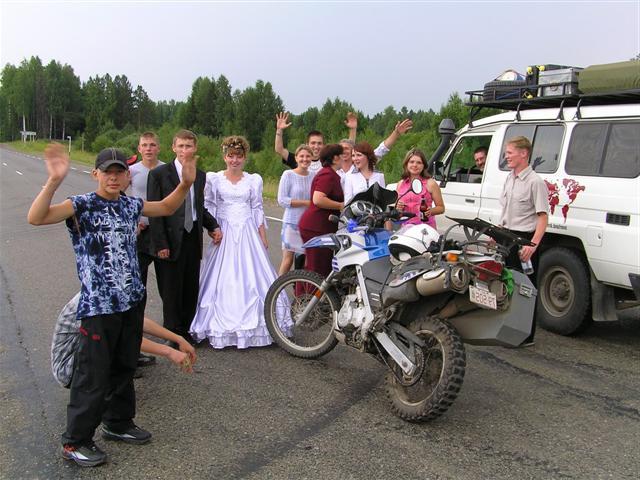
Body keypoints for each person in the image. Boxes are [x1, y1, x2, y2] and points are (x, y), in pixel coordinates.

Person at [28, 143, 198, 467]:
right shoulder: (81, 205)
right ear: (96, 174)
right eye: (108, 171)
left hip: (130, 302)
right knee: (94, 375)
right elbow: (36, 218)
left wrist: (186, 184)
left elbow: (164, 206)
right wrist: (53, 181)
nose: (115, 177)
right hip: (99, 307)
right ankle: (75, 441)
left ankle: (118, 423)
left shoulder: (130, 205)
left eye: (120, 171)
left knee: (124, 367)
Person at [190, 136, 288, 348]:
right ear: (224, 157)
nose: (234, 160)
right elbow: (209, 205)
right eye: (230, 156)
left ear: (245, 158)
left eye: (238, 156)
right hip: (224, 230)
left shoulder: (253, 180)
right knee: (220, 277)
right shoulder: (214, 179)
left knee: (253, 275)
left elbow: (257, 208)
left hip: (247, 231)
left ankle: (262, 324)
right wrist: (213, 229)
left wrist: (262, 235)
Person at [147, 130, 222, 344]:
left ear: (195, 148)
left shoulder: (201, 175)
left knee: (190, 287)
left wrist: (212, 225)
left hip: (191, 237)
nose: (184, 150)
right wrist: (160, 243)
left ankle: (186, 330)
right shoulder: (160, 174)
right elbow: (156, 213)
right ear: (173, 147)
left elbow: (198, 207)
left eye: (188, 146)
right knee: (171, 289)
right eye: (180, 146)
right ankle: (172, 332)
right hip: (169, 241)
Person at [52, 293, 197, 390]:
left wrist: (178, 339)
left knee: (119, 336)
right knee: (117, 342)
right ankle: (108, 409)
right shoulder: (95, 298)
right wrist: (170, 352)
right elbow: (123, 337)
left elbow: (138, 322)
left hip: (84, 356)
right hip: (68, 370)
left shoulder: (110, 288)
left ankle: (110, 393)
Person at [499, 136, 549, 346]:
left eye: (509, 153)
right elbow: (506, 210)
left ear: (523, 153)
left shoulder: (535, 181)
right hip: (507, 237)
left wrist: (533, 246)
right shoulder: (510, 178)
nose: (506, 156)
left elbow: (543, 217)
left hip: (524, 240)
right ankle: (509, 330)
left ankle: (526, 336)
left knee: (526, 289)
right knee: (508, 285)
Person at [127, 131, 165, 368]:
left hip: (162, 234)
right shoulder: (131, 171)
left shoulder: (166, 169)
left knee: (167, 284)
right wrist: (132, 221)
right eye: (144, 145)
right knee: (137, 286)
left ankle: (172, 329)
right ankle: (135, 336)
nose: (149, 148)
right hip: (140, 233)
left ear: (159, 148)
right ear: (139, 149)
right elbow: (119, 194)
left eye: (152, 144)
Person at [298, 144, 344, 277]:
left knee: (319, 265)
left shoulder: (330, 174)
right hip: (316, 226)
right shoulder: (327, 175)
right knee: (316, 267)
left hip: (322, 226)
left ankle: (310, 295)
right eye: (341, 156)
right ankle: (305, 296)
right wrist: (340, 205)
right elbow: (318, 199)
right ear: (335, 158)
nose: (344, 159)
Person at [275, 111, 357, 174]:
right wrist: (279, 130)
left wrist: (353, 129)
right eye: (313, 143)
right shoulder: (300, 159)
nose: (316, 146)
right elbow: (279, 149)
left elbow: (347, 148)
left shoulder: (329, 160)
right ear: (307, 144)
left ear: (323, 145)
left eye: (319, 143)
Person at [276, 144, 315, 275]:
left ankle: (302, 292)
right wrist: (306, 203)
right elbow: (282, 200)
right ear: (296, 158)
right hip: (291, 223)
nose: (305, 159)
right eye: (302, 156)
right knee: (288, 261)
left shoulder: (314, 176)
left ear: (312, 158)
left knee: (306, 262)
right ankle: (277, 292)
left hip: (309, 224)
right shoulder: (288, 175)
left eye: (308, 156)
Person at [395, 148, 445, 229]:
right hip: (406, 227)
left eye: (419, 162)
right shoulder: (401, 184)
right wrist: (398, 207)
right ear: (406, 164)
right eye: (411, 162)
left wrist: (431, 211)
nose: (415, 165)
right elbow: (397, 209)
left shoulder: (431, 183)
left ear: (423, 166)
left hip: (426, 228)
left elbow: (441, 208)